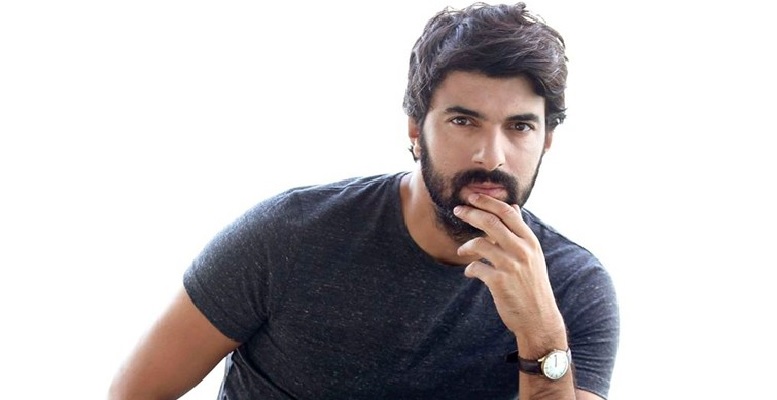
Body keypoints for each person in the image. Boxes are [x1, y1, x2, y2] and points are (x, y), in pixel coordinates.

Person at [109, 2, 619, 399]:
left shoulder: (572, 287)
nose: (493, 156)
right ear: (416, 130)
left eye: (520, 127)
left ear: (546, 139)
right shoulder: (288, 236)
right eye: (464, 121)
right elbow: (136, 392)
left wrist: (541, 333)